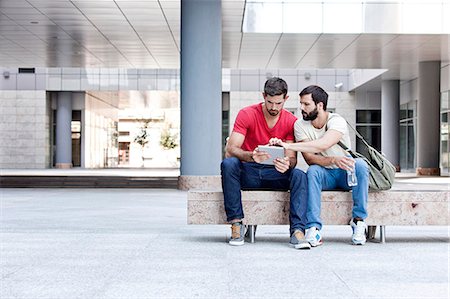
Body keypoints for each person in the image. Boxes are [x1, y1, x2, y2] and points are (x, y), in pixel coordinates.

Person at [270, 85, 369, 248]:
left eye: (306, 104)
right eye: (301, 103)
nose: (302, 108)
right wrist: (332, 161)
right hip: (325, 174)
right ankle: (313, 228)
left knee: (359, 165)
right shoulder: (300, 125)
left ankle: (358, 222)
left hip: (346, 174)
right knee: (312, 171)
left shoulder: (337, 121)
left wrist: (289, 146)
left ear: (320, 105)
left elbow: (322, 145)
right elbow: (310, 158)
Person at [221, 77, 309, 248]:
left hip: (275, 173)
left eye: (278, 103)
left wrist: (286, 164)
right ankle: (237, 223)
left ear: (286, 99)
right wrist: (251, 156)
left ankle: (298, 231)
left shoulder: (291, 121)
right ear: (263, 96)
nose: (274, 107)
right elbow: (230, 149)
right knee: (228, 164)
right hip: (250, 171)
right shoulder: (247, 114)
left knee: (299, 175)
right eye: (270, 102)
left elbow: (292, 160)